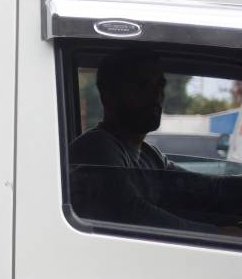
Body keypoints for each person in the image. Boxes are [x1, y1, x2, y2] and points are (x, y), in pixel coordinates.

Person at [68, 49, 242, 232]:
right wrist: (219, 234)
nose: (156, 95)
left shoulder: (150, 156)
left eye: (159, 85)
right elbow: (133, 214)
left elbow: (207, 189)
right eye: (142, 85)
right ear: (107, 94)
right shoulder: (95, 148)